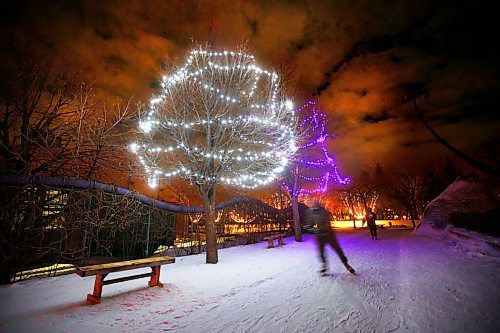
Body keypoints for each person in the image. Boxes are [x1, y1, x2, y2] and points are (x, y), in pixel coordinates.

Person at [305, 199, 356, 275]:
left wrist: (322, 228)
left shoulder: (324, 212)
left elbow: (327, 221)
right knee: (321, 251)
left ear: (319, 206)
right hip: (320, 236)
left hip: (329, 234)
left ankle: (346, 264)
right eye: (313, 206)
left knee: (338, 249)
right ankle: (324, 265)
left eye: (316, 206)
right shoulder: (311, 213)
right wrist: (311, 228)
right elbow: (309, 224)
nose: (314, 208)